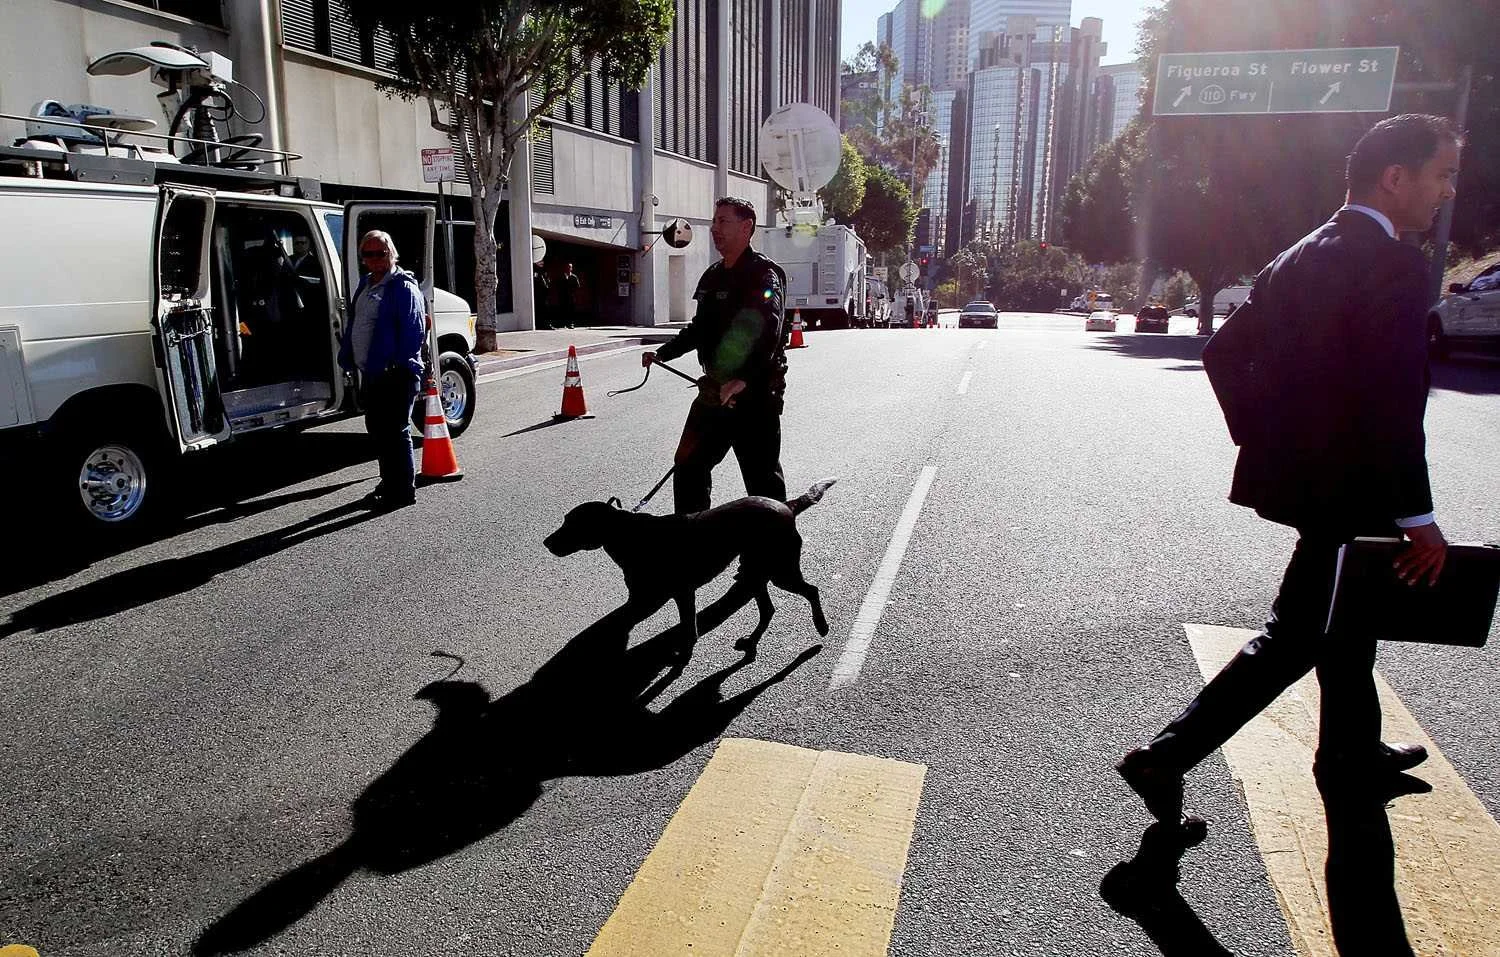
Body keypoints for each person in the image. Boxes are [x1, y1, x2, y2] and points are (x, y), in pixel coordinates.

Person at [1117, 114, 1461, 832]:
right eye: (1441, 175)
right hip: (1354, 491)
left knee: (1344, 623)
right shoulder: (1394, 265)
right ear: (1395, 178)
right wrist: (1416, 516)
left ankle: (1351, 751)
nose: (1446, 191)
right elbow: (1393, 402)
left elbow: (1222, 356)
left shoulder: (1299, 254)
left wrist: (1273, 439)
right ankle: (1164, 755)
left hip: (1317, 486)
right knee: (1296, 635)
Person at [642, 196, 788, 515]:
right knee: (688, 465)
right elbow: (698, 329)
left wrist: (743, 379)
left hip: (754, 396)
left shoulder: (763, 275)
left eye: (723, 221)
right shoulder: (712, 277)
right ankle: (693, 544)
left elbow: (770, 329)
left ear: (747, 227)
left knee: (762, 482)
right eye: (714, 221)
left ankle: (770, 557)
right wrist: (663, 353)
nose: (714, 228)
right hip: (713, 392)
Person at [338, 229, 427, 510]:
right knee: (378, 431)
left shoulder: (402, 287)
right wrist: (349, 358)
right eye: (369, 254)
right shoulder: (366, 284)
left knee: (395, 432)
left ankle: (402, 491)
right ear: (362, 258)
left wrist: (395, 364)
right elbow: (356, 323)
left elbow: (414, 331)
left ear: (392, 253)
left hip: (396, 373)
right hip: (372, 373)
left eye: (381, 253)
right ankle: (390, 482)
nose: (375, 259)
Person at [558, 262, 582, 329]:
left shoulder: (574, 277)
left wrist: (575, 294)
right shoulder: (562, 277)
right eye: (567, 267)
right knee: (563, 309)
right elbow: (558, 286)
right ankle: (564, 323)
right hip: (563, 296)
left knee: (571, 310)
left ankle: (571, 323)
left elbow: (578, 286)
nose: (569, 268)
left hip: (571, 296)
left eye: (570, 267)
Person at [533, 264, 552, 330]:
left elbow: (547, 280)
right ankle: (540, 324)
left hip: (545, 294)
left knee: (546, 309)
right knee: (540, 309)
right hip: (539, 294)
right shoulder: (535, 271)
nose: (542, 263)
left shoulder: (544, 271)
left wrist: (548, 283)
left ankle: (547, 324)